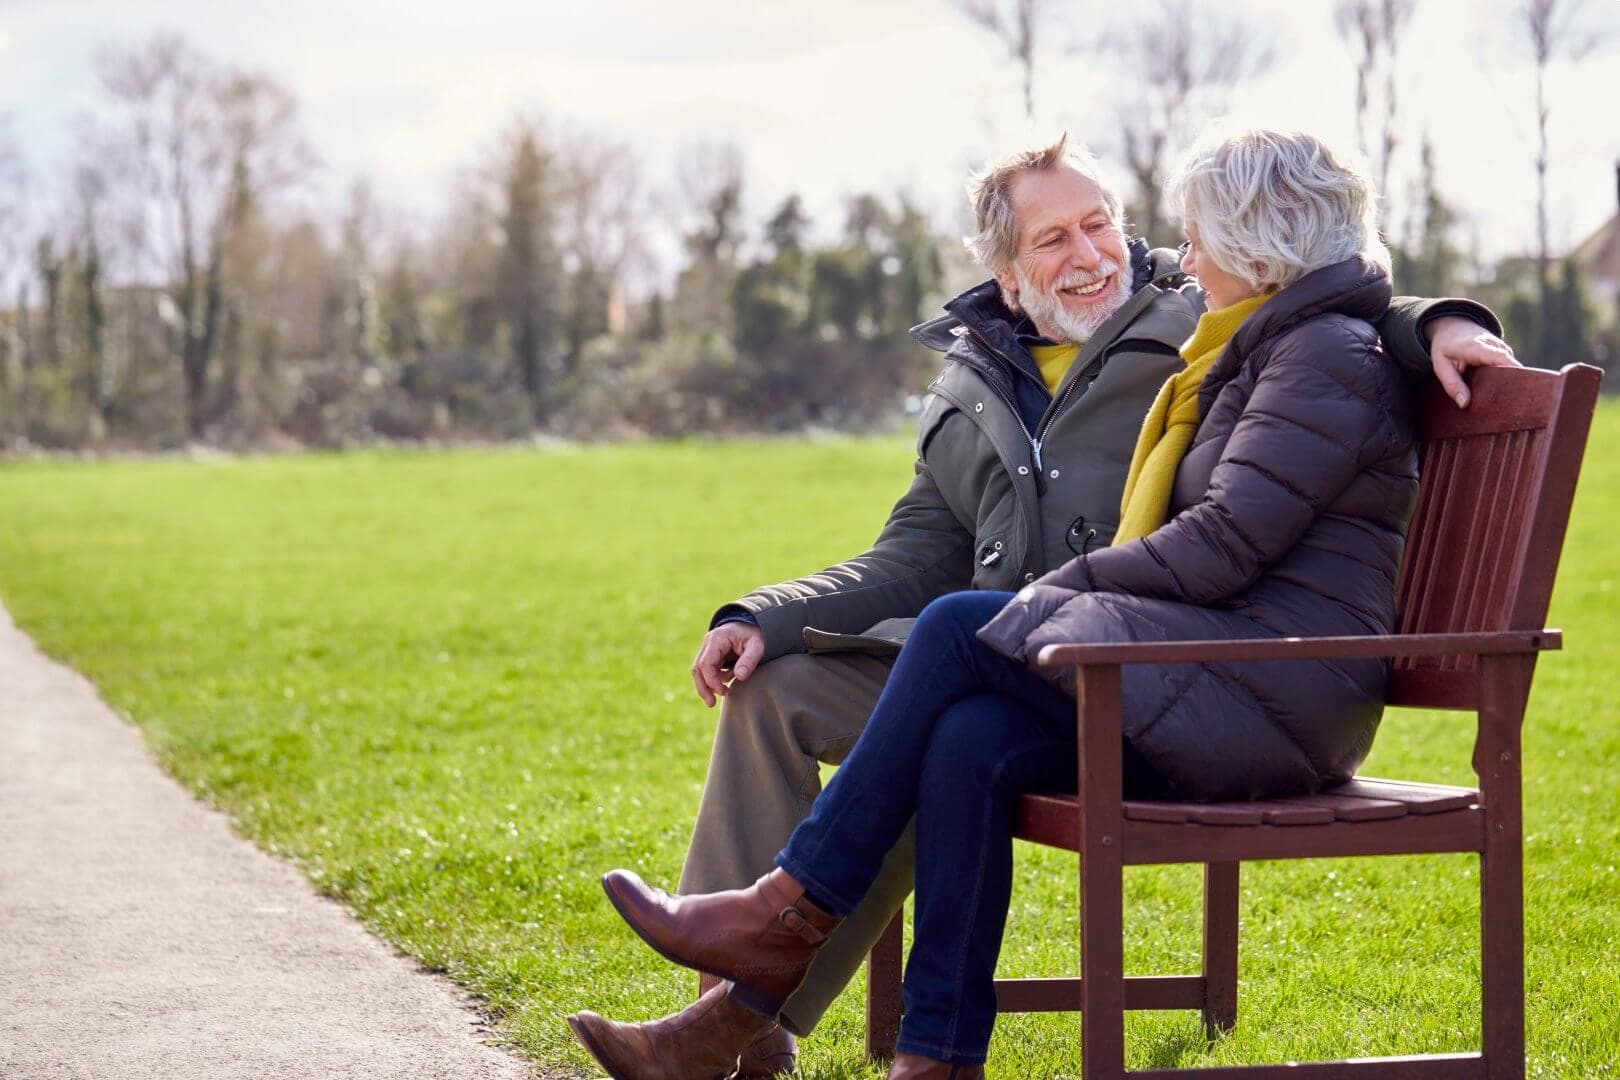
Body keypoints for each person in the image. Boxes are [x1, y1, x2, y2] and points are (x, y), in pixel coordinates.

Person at [570, 133, 1515, 1080]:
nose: (1094, 253)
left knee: (954, 639)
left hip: (1171, 665)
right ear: (1007, 271)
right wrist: (765, 612)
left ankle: (776, 920)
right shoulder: (980, 377)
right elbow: (912, 551)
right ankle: (831, 1040)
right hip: (1103, 660)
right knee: (915, 720)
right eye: (1054, 238)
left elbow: (1336, 295)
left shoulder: (1208, 320)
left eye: (1102, 223)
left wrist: (1436, 319)